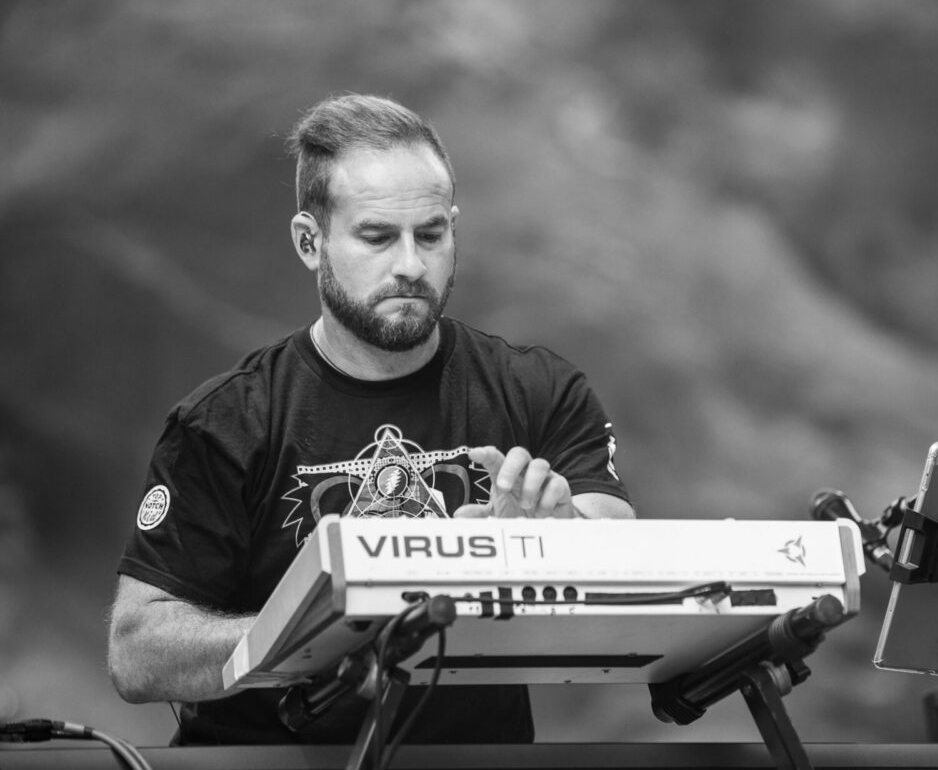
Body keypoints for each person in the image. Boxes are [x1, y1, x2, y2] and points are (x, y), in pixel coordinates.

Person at [107, 93, 633, 745]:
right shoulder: (226, 422)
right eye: (378, 237)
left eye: (431, 234)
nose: (411, 264)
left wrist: (560, 544)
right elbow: (136, 652)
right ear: (310, 241)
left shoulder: (538, 390)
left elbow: (625, 554)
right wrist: (316, 637)